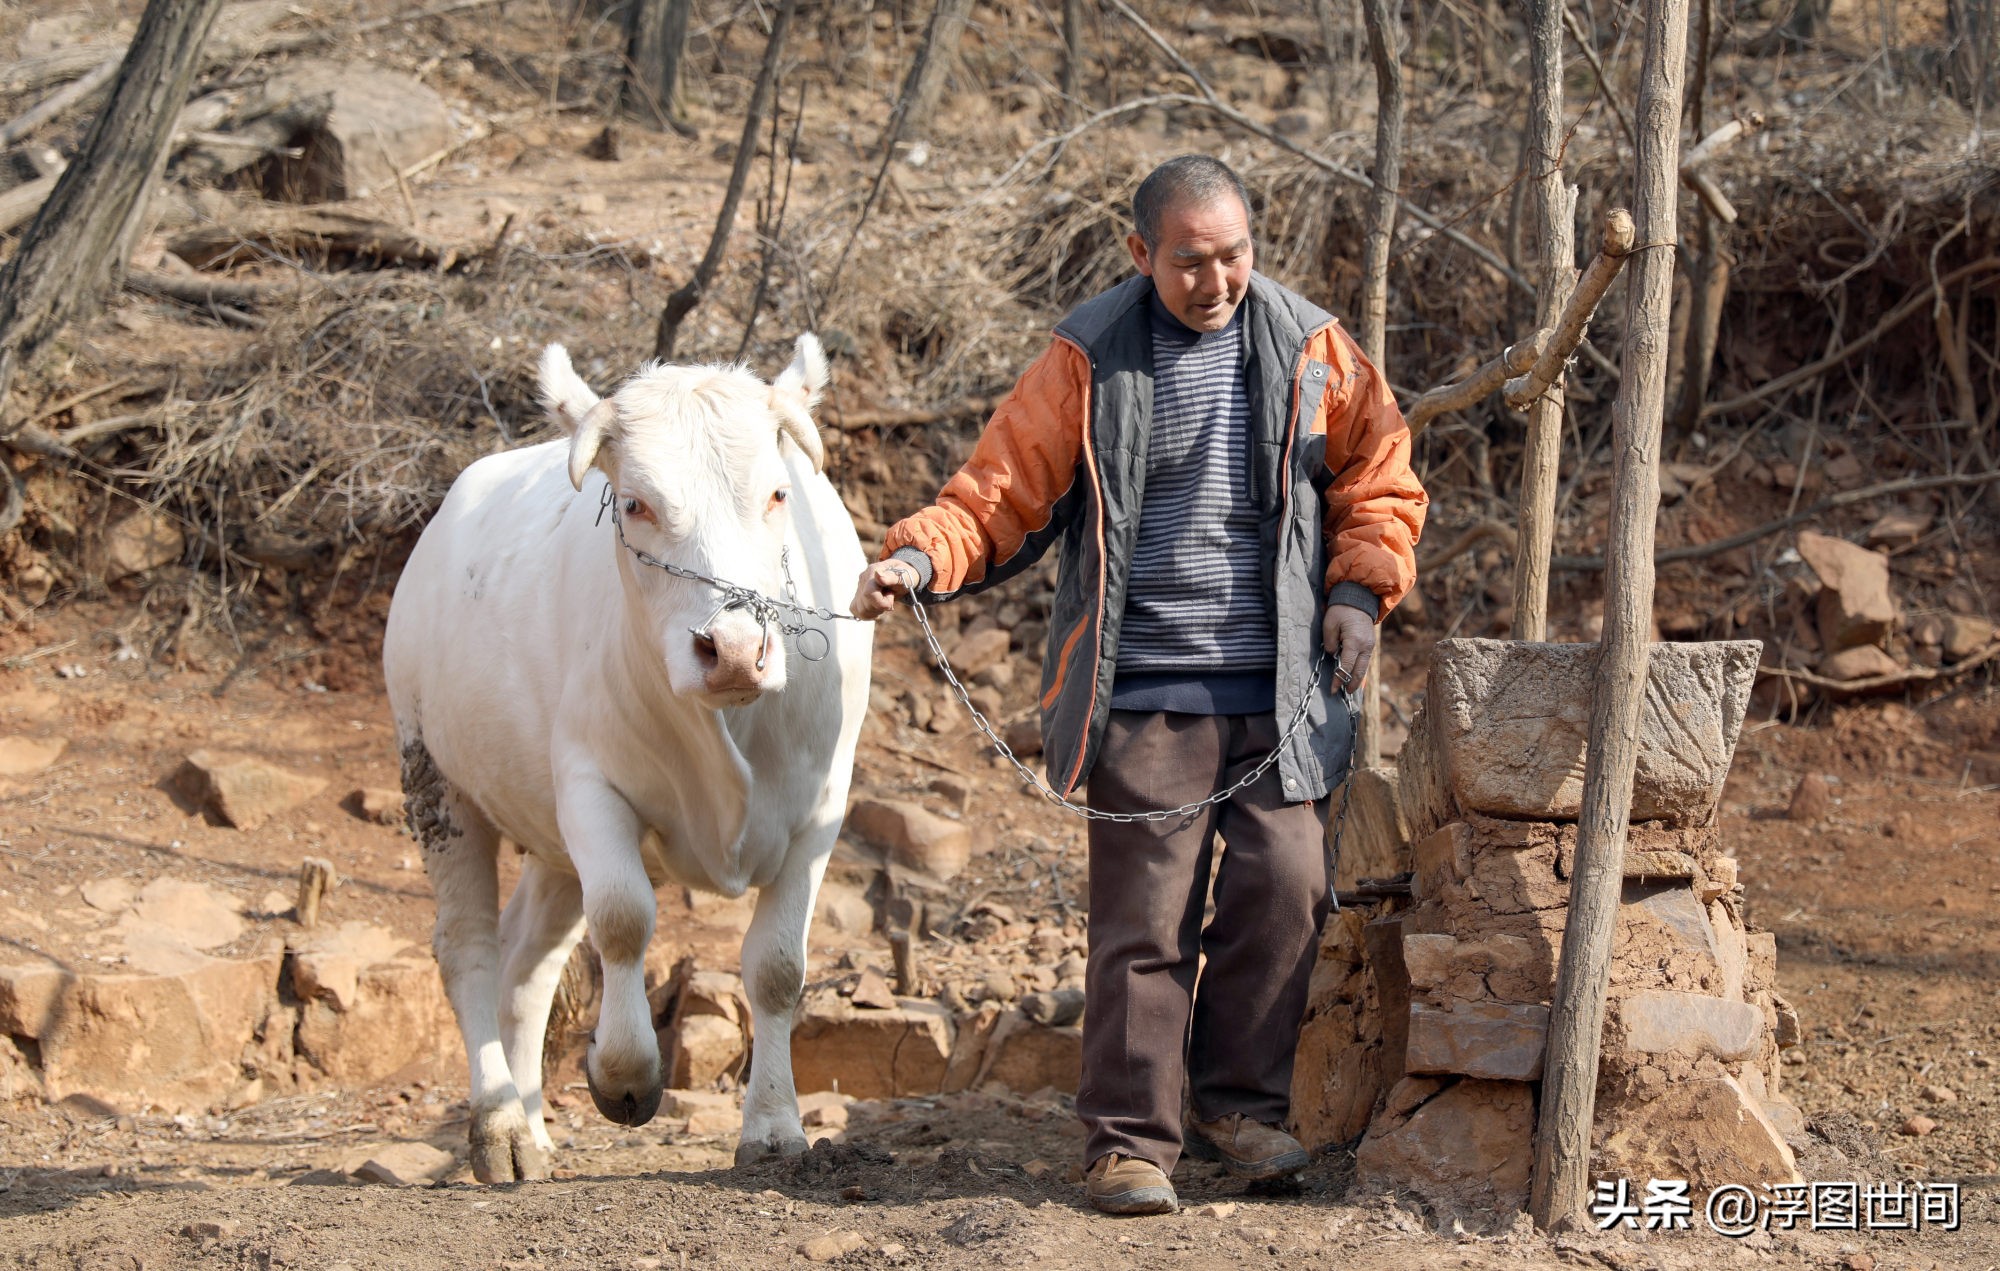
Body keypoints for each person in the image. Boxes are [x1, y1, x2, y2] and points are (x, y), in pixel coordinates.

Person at [849, 155, 1426, 1215]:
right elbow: (994, 491)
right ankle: (1126, 1142)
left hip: (1278, 688)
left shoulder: (1309, 343)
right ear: (1139, 253)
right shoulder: (1089, 353)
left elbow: (1379, 475)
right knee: (1143, 918)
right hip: (1146, 688)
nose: (1215, 282)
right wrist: (916, 559)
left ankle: (1236, 1107)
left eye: (1233, 257)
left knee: (1287, 886)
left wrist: (1357, 589)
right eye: (1189, 262)